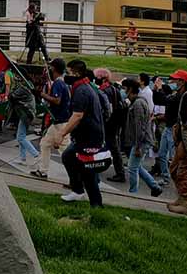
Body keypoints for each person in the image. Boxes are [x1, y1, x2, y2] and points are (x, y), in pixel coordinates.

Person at [60, 59, 105, 206]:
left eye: (69, 72)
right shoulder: (83, 87)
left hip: (89, 137)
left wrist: (62, 134)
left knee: (87, 171)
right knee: (69, 157)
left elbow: (77, 116)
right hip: (86, 135)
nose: (66, 75)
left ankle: (96, 204)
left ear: (76, 73)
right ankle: (78, 190)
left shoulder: (82, 90)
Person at [123, 78, 163, 197]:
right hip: (141, 141)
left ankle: (133, 193)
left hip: (141, 141)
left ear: (130, 89)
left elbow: (140, 127)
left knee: (132, 168)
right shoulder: (138, 102)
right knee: (136, 166)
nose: (123, 91)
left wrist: (138, 146)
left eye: (125, 89)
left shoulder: (138, 104)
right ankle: (154, 186)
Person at [166, 69, 187, 215]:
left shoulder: (186, 96)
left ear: (183, 82)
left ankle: (186, 202)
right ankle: (181, 198)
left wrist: (184, 126)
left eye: (176, 80)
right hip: (185, 139)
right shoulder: (185, 95)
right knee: (174, 168)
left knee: (182, 169)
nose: (174, 82)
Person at [32, 58, 70, 179]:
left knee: (65, 152)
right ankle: (43, 171)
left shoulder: (58, 83)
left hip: (61, 123)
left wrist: (41, 94)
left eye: (51, 67)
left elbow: (57, 100)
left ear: (54, 68)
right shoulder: (62, 83)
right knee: (45, 144)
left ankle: (76, 177)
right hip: (57, 121)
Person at [95, 68, 127, 183]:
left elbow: (107, 109)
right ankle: (119, 172)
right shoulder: (114, 89)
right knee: (114, 148)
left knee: (111, 147)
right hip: (114, 123)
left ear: (103, 78)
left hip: (108, 123)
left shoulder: (105, 91)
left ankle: (119, 173)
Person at [9, 74, 39, 166]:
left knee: (21, 137)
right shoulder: (29, 85)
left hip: (26, 114)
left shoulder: (23, 88)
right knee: (21, 135)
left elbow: (11, 96)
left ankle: (36, 154)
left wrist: (13, 86)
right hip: (28, 113)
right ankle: (22, 158)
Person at [151, 76, 174, 184]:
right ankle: (163, 173)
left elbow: (164, 101)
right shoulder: (161, 97)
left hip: (169, 127)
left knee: (171, 154)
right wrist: (156, 89)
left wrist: (160, 88)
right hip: (164, 127)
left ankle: (172, 175)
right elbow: (155, 97)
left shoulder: (170, 100)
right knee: (160, 152)